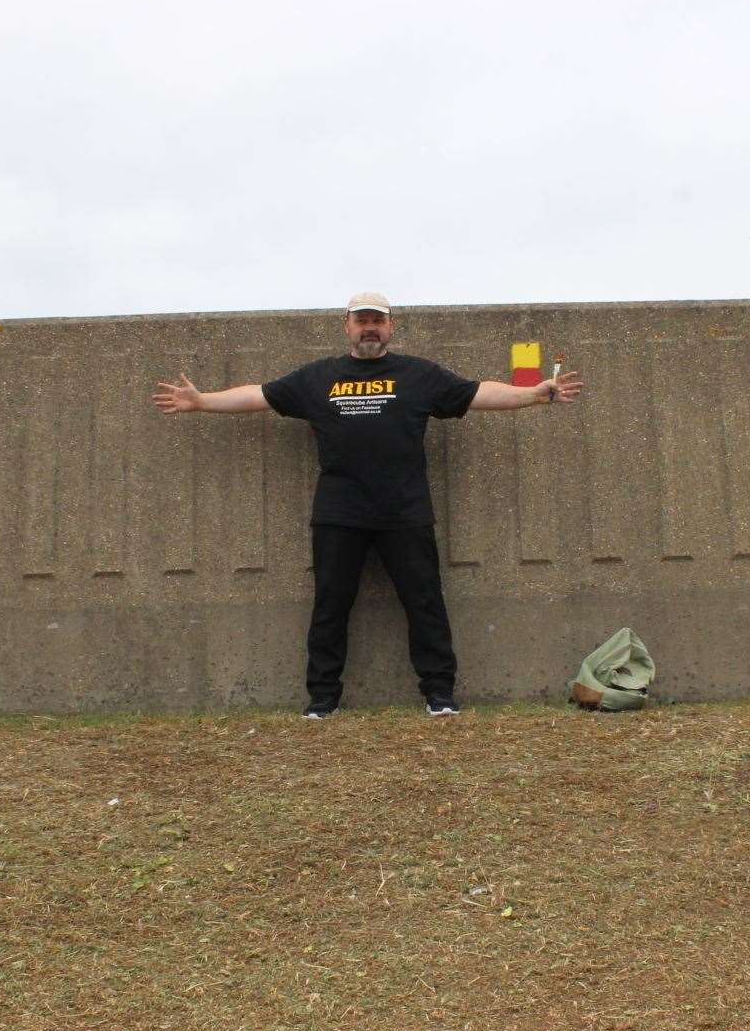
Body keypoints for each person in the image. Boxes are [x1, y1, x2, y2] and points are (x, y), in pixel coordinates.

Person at [150, 292, 582, 718]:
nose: (370, 327)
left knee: (424, 602)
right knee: (330, 605)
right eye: (362, 320)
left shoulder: (418, 375)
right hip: (340, 513)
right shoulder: (318, 378)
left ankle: (440, 695)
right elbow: (259, 395)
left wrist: (535, 394)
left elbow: (477, 393)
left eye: (378, 320)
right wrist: (203, 401)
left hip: (406, 511)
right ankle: (322, 699)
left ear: (391, 326)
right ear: (347, 326)